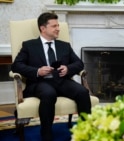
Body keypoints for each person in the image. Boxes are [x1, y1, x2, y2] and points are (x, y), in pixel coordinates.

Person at [11, 12, 91, 141]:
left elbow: (79, 63)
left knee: (82, 92)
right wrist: (38, 71)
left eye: (58, 25)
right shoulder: (29, 45)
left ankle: (86, 132)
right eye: (54, 26)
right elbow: (16, 66)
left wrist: (68, 68)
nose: (58, 28)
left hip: (61, 80)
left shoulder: (64, 45)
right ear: (43, 28)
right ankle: (46, 134)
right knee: (49, 93)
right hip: (39, 82)